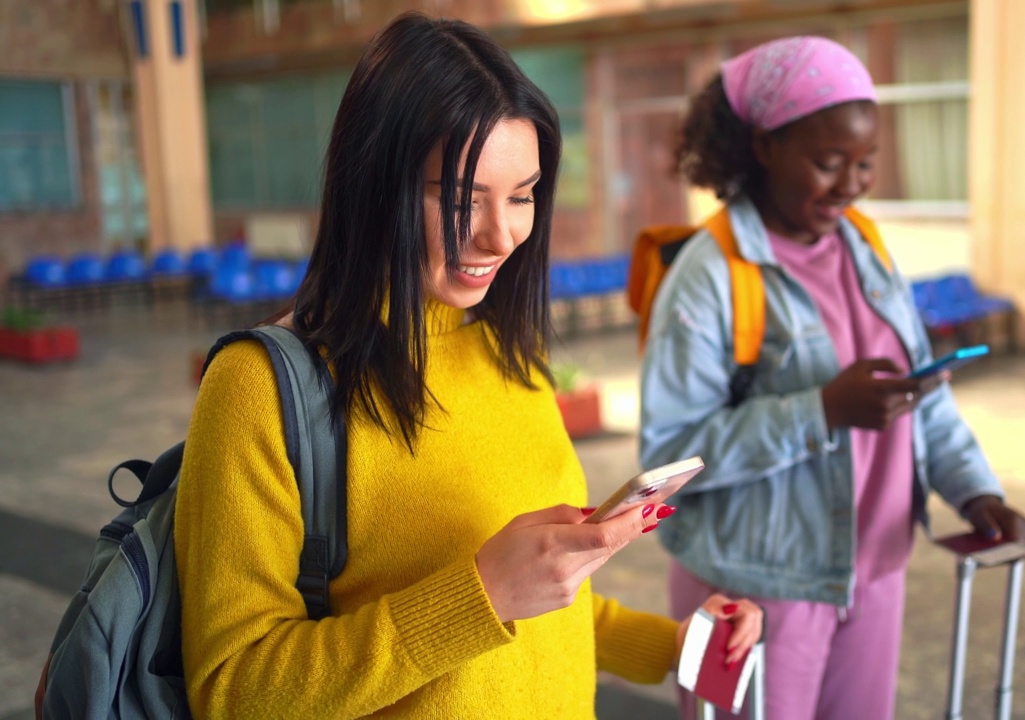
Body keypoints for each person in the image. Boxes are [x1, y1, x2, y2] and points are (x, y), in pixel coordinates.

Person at [174, 13, 761, 719]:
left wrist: (679, 646)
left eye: (523, 195)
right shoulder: (260, 389)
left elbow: (541, 608)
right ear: (374, 184)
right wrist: (479, 597)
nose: (502, 234)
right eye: (460, 199)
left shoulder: (509, 357)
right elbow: (232, 690)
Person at [638, 36, 1025, 720]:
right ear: (764, 147)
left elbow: (919, 395)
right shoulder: (708, 277)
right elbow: (666, 465)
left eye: (866, 162)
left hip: (871, 575)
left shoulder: (864, 246)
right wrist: (819, 410)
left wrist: (975, 492)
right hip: (752, 593)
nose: (851, 184)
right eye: (828, 163)